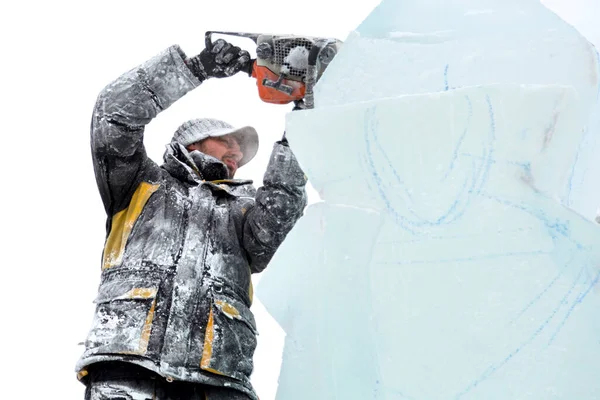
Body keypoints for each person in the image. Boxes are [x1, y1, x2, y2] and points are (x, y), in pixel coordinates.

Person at [75, 38, 308, 400]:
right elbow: (114, 112)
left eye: (240, 152)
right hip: (130, 367)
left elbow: (276, 221)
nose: (236, 153)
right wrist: (194, 68)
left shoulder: (243, 208)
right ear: (190, 141)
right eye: (226, 142)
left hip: (218, 381)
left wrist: (301, 135)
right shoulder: (139, 182)